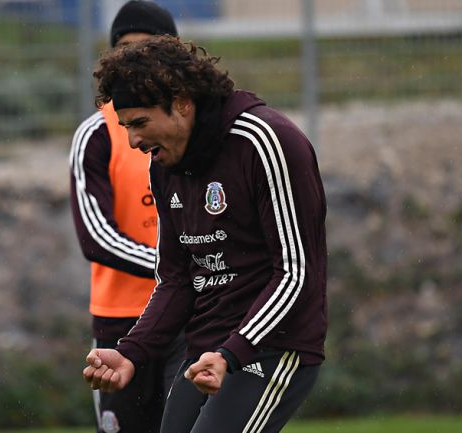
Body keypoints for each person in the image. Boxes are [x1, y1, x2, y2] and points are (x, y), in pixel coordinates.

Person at [81, 35, 328, 433]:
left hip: (271, 346)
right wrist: (131, 352)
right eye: (126, 126)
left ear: (181, 103)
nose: (133, 141)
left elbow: (296, 272)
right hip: (206, 350)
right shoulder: (164, 166)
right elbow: (177, 279)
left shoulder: (265, 141)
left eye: (140, 123)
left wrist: (233, 352)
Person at [69, 2, 184, 433]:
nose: (136, 63)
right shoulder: (97, 134)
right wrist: (176, 267)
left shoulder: (192, 128)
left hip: (190, 317)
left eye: (149, 50)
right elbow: (96, 238)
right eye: (126, 51)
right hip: (122, 320)